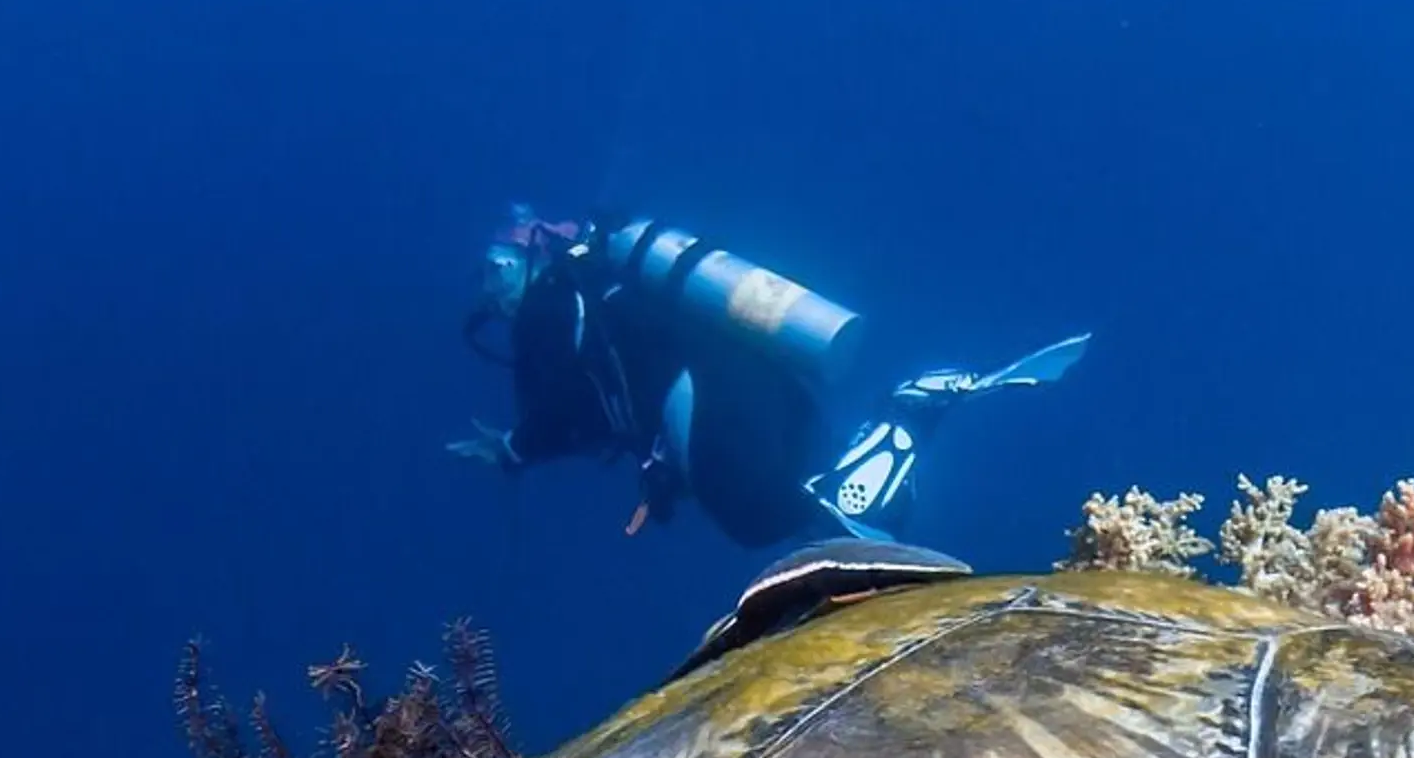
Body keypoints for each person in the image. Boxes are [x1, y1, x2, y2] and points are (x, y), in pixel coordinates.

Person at [450, 208, 1090, 548]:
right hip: (762, 375)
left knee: (759, 518)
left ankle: (904, 415)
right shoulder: (609, 285)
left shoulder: (550, 304)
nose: (493, 291)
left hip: (706, 392)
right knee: (818, 501)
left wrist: (512, 450)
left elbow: (568, 406)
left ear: (525, 258)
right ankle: (899, 425)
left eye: (496, 269)